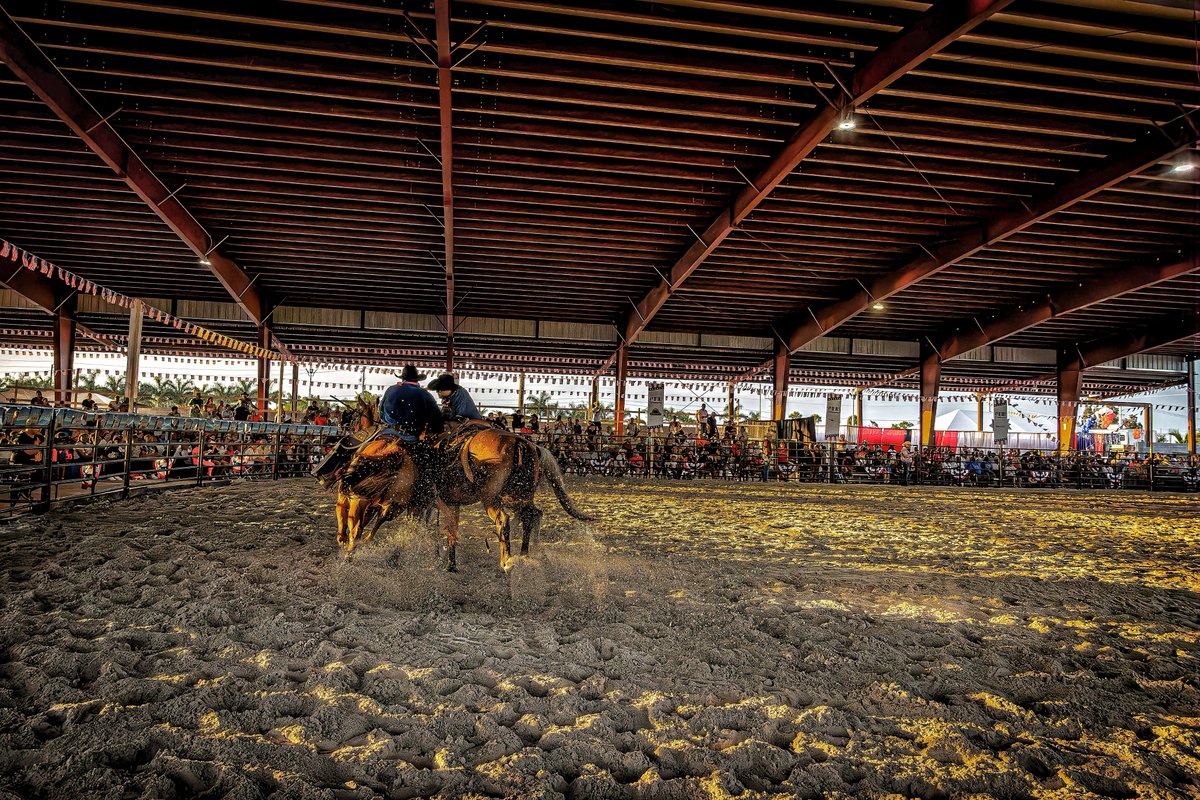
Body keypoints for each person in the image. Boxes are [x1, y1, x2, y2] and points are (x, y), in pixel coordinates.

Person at [382, 366, 444, 440]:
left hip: (389, 431)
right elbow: (436, 419)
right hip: (411, 436)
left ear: (403, 378)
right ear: (417, 380)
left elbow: (381, 413)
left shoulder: (390, 389)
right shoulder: (425, 394)